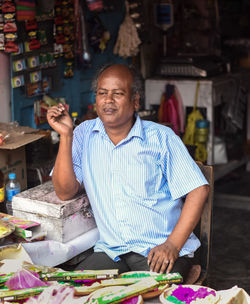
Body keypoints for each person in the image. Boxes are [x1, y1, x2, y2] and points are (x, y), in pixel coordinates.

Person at [47, 63, 209, 281]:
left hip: (158, 251)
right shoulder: (84, 134)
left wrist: (173, 244)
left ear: (135, 101)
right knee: (69, 293)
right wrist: (66, 135)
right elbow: (65, 192)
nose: (108, 100)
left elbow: (198, 189)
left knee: (146, 296)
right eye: (102, 93)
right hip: (112, 251)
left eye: (118, 93)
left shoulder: (161, 138)